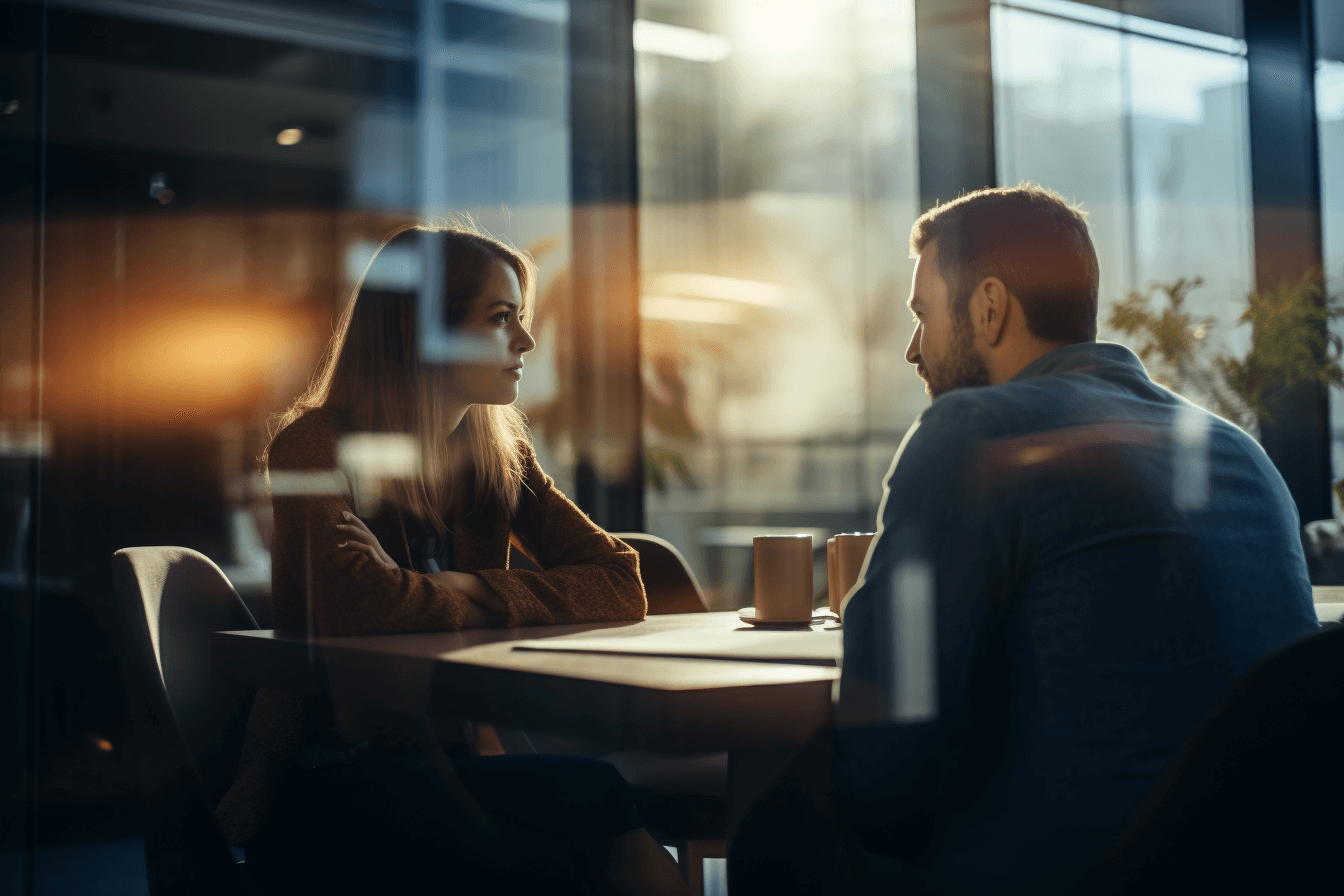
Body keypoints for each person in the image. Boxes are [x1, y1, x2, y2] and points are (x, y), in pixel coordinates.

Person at [730, 184, 1320, 895]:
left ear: (988, 306)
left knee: (778, 822)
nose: (913, 351)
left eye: (923, 316)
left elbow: (886, 769)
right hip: (1268, 865)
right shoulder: (1237, 453)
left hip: (1071, 875)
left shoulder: (975, 432)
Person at [214, 222, 690, 896]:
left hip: (456, 759)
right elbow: (361, 610)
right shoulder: (312, 446)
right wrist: (472, 594)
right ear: (423, 331)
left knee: (595, 808)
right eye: (502, 319)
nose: (526, 342)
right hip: (331, 773)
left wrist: (459, 584)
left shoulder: (499, 456)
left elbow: (619, 581)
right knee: (580, 822)